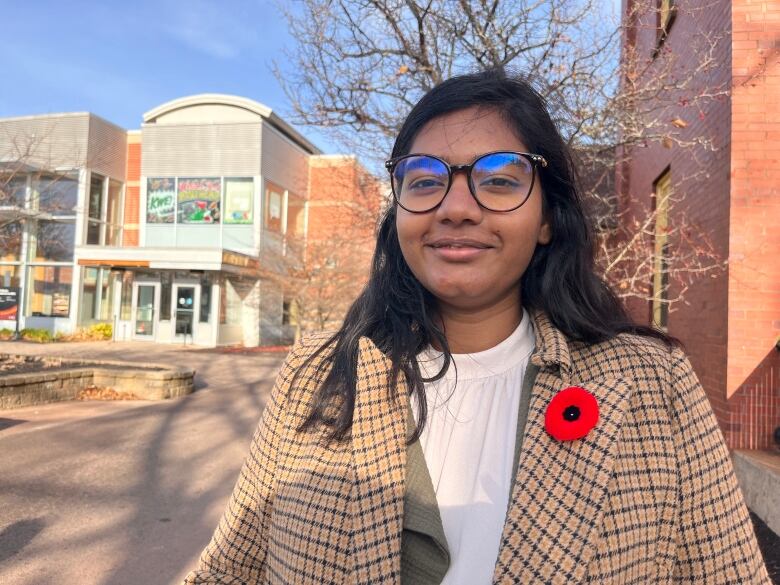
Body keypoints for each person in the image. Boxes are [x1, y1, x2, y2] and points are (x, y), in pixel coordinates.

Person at [183, 69, 770, 584]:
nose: (455, 206)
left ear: (546, 219)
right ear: (401, 215)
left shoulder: (652, 385)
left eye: (499, 179)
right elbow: (227, 572)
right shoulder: (317, 375)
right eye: (424, 179)